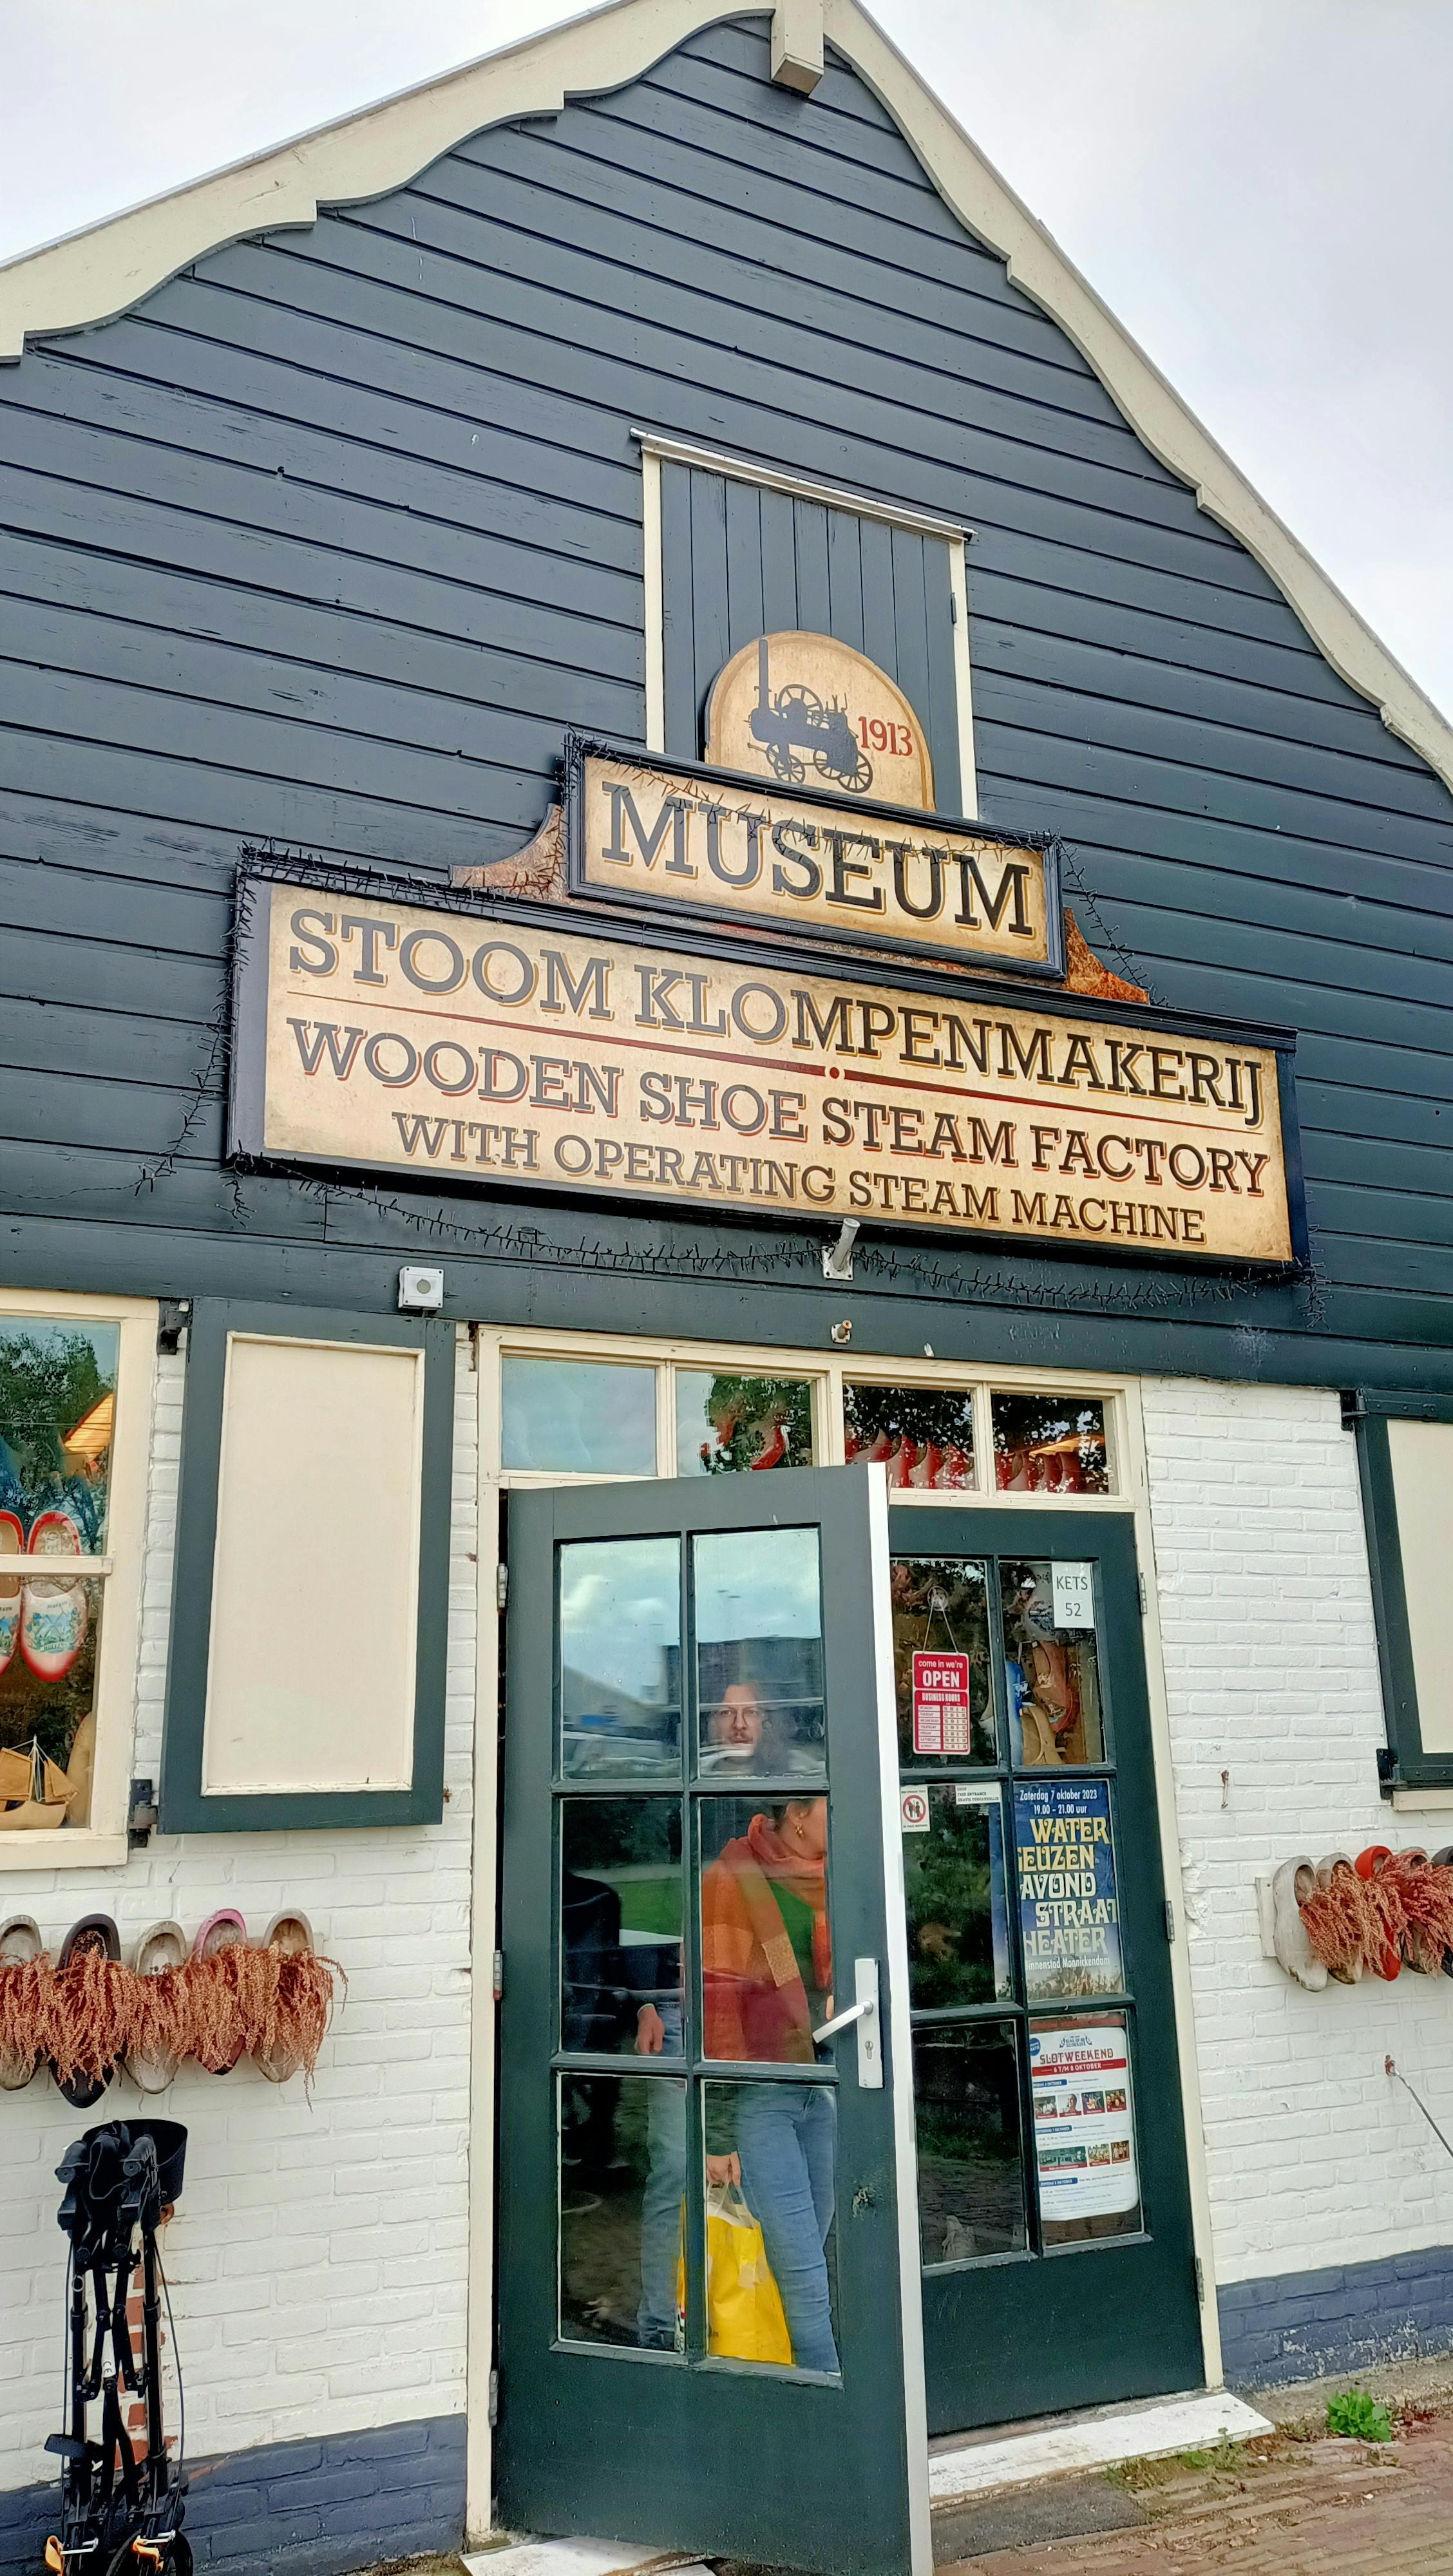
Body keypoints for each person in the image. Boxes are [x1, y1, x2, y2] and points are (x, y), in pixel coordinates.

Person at [700, 1795, 838, 2372]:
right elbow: (713, 2005)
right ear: (797, 1814)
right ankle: (830, 2397)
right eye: (830, 1804)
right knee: (803, 2273)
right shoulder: (732, 1877)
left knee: (808, 2256)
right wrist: (717, 2131)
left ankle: (788, 2380)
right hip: (761, 2097)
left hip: (819, 2089)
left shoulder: (832, 1877)